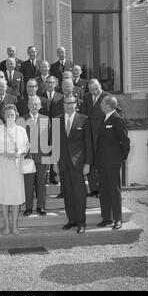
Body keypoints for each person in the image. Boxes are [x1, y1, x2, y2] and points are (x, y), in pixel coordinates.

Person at [54, 95, 93, 234]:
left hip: (78, 163)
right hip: (63, 163)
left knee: (79, 193)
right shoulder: (57, 120)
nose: (69, 105)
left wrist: (88, 163)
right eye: (66, 103)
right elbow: (56, 144)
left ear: (76, 104)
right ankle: (71, 220)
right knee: (68, 193)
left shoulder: (84, 119)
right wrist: (55, 163)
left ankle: (81, 222)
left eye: (71, 103)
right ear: (63, 104)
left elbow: (88, 143)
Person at [0, 104, 29, 235]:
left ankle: (15, 225)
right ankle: (6, 225)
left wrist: (19, 152)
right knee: (4, 197)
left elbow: (26, 146)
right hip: (2, 167)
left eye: (12, 114)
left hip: (16, 167)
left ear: (16, 115)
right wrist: (3, 152)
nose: (10, 117)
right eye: (7, 115)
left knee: (16, 197)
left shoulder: (21, 130)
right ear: (3, 116)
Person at [96, 96, 130, 230]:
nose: (100, 105)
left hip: (113, 162)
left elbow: (125, 142)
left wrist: (121, 158)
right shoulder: (104, 118)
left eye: (102, 103)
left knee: (114, 191)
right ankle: (106, 218)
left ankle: (118, 219)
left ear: (109, 105)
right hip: (102, 162)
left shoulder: (117, 119)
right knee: (104, 191)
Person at [81, 79, 111, 198]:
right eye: (92, 90)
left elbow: (117, 114)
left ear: (100, 86)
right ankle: (93, 188)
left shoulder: (108, 97)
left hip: (102, 136)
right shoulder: (87, 97)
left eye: (96, 89)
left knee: (102, 164)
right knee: (90, 161)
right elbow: (83, 114)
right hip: (89, 135)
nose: (94, 92)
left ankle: (102, 189)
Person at [22, 96, 50, 217]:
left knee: (41, 183)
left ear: (40, 106)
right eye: (32, 104)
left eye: (36, 104)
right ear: (28, 105)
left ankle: (40, 207)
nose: (34, 106)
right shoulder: (22, 119)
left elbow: (49, 139)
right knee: (28, 183)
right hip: (28, 157)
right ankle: (28, 207)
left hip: (42, 156)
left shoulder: (46, 119)